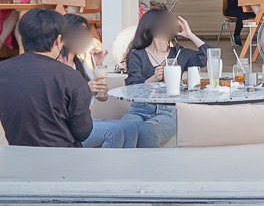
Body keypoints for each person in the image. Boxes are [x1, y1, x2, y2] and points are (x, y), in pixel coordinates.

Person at [0, 9, 93, 147]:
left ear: (21, 38)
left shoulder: (3, 70)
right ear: (58, 40)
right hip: (61, 159)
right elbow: (82, 132)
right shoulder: (71, 77)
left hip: (15, 156)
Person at [121, 9, 213, 148]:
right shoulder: (137, 54)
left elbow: (211, 57)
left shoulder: (179, 53)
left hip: (168, 111)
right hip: (140, 109)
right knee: (125, 129)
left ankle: (153, 169)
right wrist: (154, 78)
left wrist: (190, 35)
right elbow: (131, 87)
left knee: (147, 131)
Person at [57, 14, 142, 148]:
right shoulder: (56, 65)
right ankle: (107, 168)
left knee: (130, 128)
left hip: (87, 121)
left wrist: (98, 66)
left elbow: (102, 97)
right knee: (114, 132)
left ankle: (125, 167)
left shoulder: (81, 65)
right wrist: (85, 88)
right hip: (69, 127)